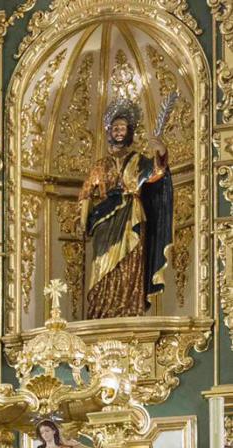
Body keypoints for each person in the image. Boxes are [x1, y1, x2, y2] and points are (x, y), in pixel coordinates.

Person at [79, 100, 173, 319]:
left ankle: (129, 306)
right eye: (115, 128)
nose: (118, 132)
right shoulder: (100, 165)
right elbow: (85, 194)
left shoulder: (139, 160)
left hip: (132, 216)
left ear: (129, 131)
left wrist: (161, 152)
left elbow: (157, 174)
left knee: (131, 263)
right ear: (109, 133)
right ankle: (102, 310)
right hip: (105, 219)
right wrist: (83, 220)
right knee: (102, 265)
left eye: (122, 128)